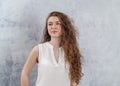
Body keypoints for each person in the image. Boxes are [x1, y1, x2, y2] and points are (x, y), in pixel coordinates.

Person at [21, 11, 82, 86]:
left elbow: (74, 78)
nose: (53, 27)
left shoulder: (72, 51)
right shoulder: (38, 50)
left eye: (57, 23)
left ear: (65, 27)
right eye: (50, 24)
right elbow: (25, 73)